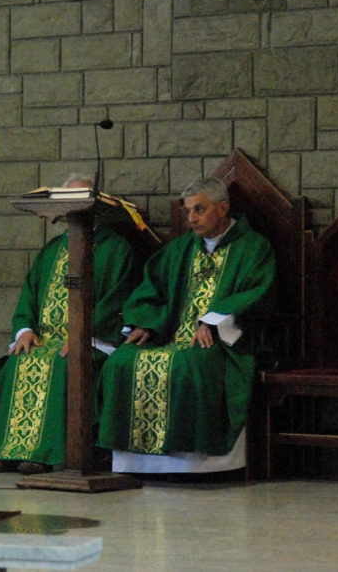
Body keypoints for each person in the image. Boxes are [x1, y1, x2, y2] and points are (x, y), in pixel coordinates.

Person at [96, 177, 275, 473]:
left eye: (199, 210)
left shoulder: (253, 248)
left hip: (223, 343)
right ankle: (134, 462)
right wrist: (147, 324)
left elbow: (258, 294)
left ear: (223, 208)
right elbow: (151, 290)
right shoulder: (179, 250)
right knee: (121, 361)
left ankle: (190, 464)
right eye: (188, 211)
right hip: (170, 336)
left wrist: (212, 321)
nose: (191, 218)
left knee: (188, 364)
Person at [0, 175, 141, 474]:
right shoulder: (51, 250)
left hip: (91, 341)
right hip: (45, 339)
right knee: (17, 361)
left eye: (79, 200)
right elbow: (29, 296)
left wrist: (83, 336)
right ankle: (5, 451)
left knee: (64, 364)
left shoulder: (117, 249)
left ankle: (44, 454)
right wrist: (25, 330)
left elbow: (119, 300)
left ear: (94, 204)